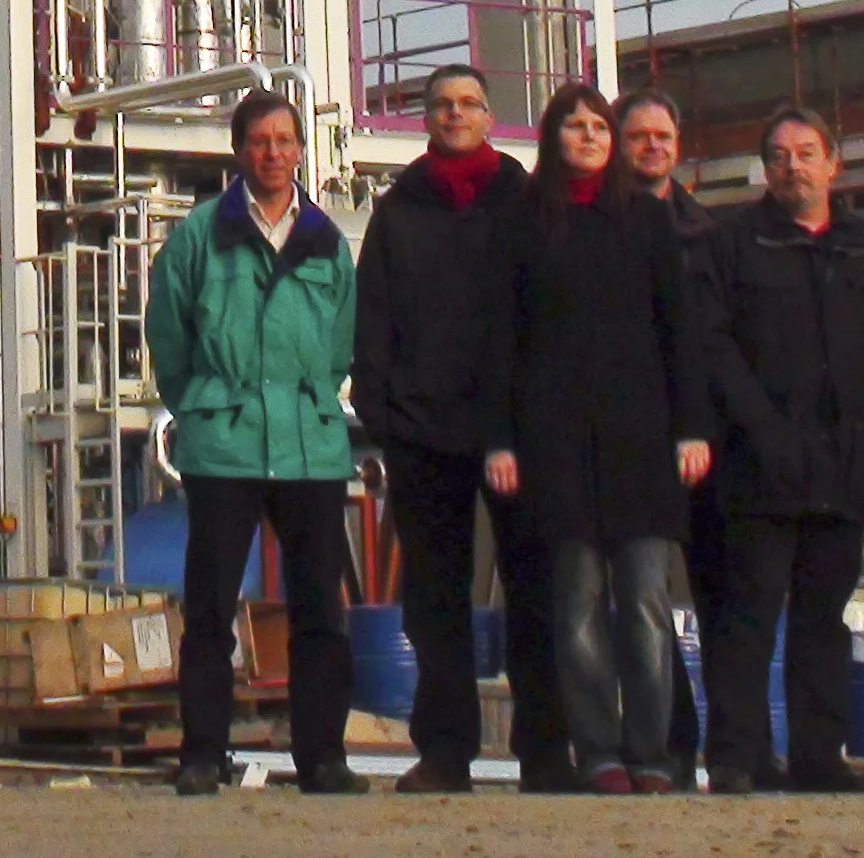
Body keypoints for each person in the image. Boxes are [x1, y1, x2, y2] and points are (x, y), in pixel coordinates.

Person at [482, 84, 712, 794]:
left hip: (640, 444)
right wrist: (501, 441)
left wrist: (691, 429)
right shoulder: (522, 225)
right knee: (575, 601)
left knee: (645, 601)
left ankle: (652, 753)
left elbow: (682, 336)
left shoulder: (648, 223)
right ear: (551, 136)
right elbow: (500, 343)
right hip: (554, 444)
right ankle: (600, 751)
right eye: (573, 126)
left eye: (597, 126)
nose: (586, 136)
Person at [146, 84, 363, 797]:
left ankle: (322, 758)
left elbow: (338, 349)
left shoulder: (326, 241)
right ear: (239, 152)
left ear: (301, 150)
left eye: (285, 140)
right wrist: (203, 406)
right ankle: (203, 754)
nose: (274, 153)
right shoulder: (197, 237)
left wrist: (306, 400)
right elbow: (169, 339)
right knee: (210, 609)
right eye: (260, 141)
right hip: (225, 444)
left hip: (308, 446)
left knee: (318, 612)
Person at [356, 64, 561, 794]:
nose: (454, 114)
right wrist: (384, 417)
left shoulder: (527, 202)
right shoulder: (398, 210)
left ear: (489, 115)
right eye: (441, 104)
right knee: (434, 600)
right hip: (424, 434)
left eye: (469, 103)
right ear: (425, 118)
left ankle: (545, 752)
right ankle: (445, 752)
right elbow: (373, 317)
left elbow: (550, 311)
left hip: (518, 435)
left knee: (535, 593)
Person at [700, 104, 864, 794]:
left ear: (834, 163)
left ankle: (821, 758)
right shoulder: (735, 245)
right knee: (748, 617)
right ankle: (739, 756)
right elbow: (715, 344)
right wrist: (758, 424)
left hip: (846, 464)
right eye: (781, 156)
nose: (795, 166)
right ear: (766, 170)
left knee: (824, 619)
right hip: (758, 463)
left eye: (807, 153)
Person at [611, 88, 719, 783]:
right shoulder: (596, 228)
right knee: (640, 600)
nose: (652, 146)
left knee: (715, 600)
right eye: (638, 135)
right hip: (628, 443)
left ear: (679, 144)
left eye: (662, 135)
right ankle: (664, 745)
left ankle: (733, 747)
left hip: (706, 442)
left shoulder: (710, 234)